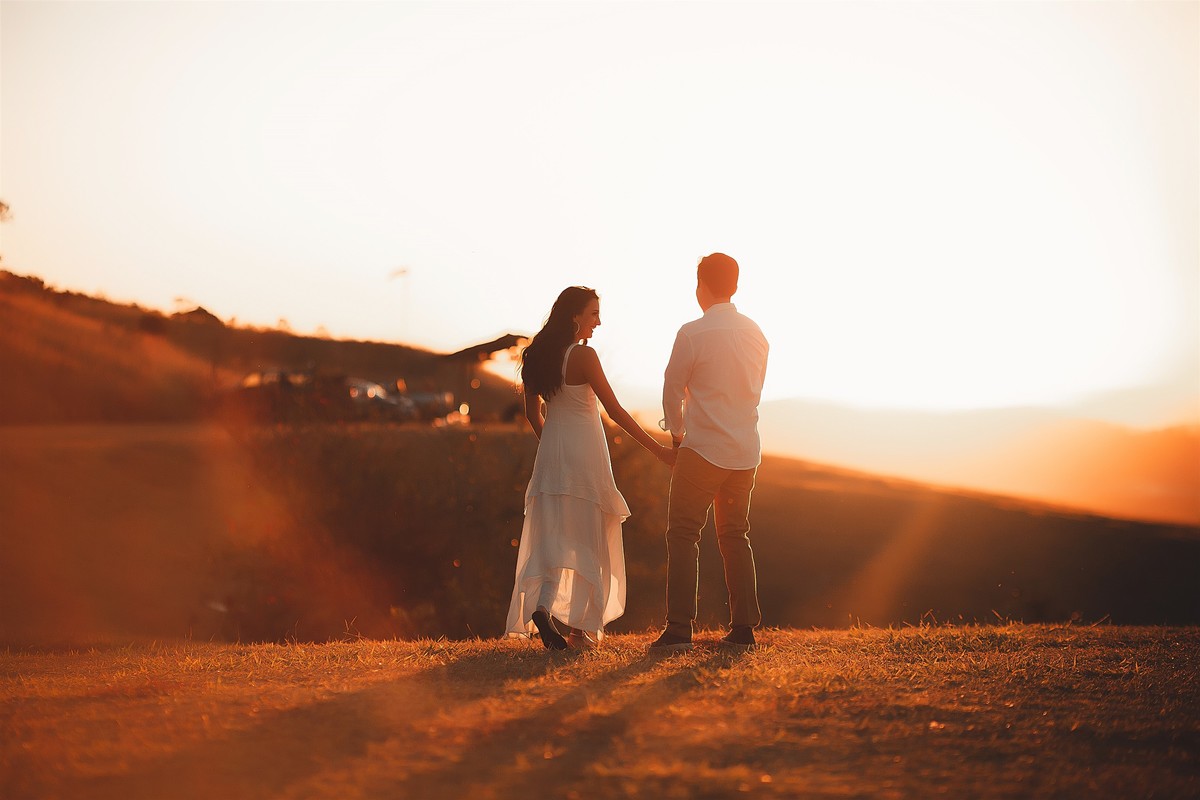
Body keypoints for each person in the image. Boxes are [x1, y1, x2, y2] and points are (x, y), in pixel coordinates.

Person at [505, 286, 675, 649]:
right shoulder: (584, 357)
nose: (599, 321)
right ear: (575, 316)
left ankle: (542, 607)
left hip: (552, 456)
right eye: (594, 313)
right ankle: (581, 630)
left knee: (552, 539)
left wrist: (553, 448)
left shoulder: (535, 356)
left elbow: (531, 413)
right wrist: (658, 450)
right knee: (588, 536)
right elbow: (614, 411)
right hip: (586, 455)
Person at [651, 253, 769, 652]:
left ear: (701, 287)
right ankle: (744, 628)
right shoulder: (757, 333)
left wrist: (677, 436)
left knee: (683, 534)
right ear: (734, 286)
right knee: (735, 535)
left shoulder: (692, 333)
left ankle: (680, 628)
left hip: (701, 449)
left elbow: (672, 387)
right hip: (745, 450)